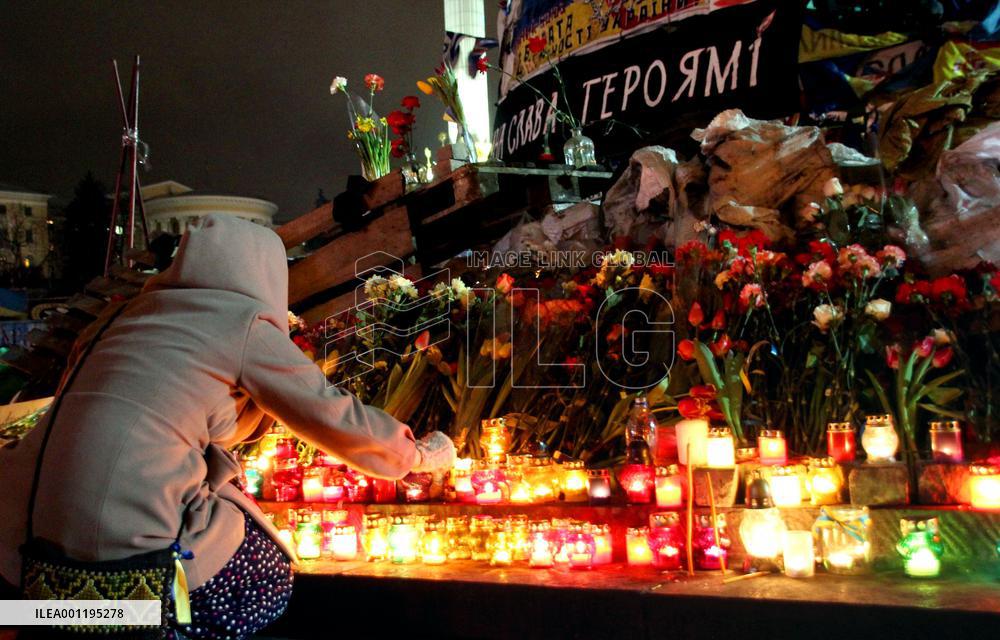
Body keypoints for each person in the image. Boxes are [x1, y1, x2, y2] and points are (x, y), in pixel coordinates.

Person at [0, 214, 455, 638]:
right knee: (266, 574)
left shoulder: (118, 319)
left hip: (26, 563)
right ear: (265, 276)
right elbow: (331, 413)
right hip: (126, 572)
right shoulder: (241, 322)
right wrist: (414, 455)